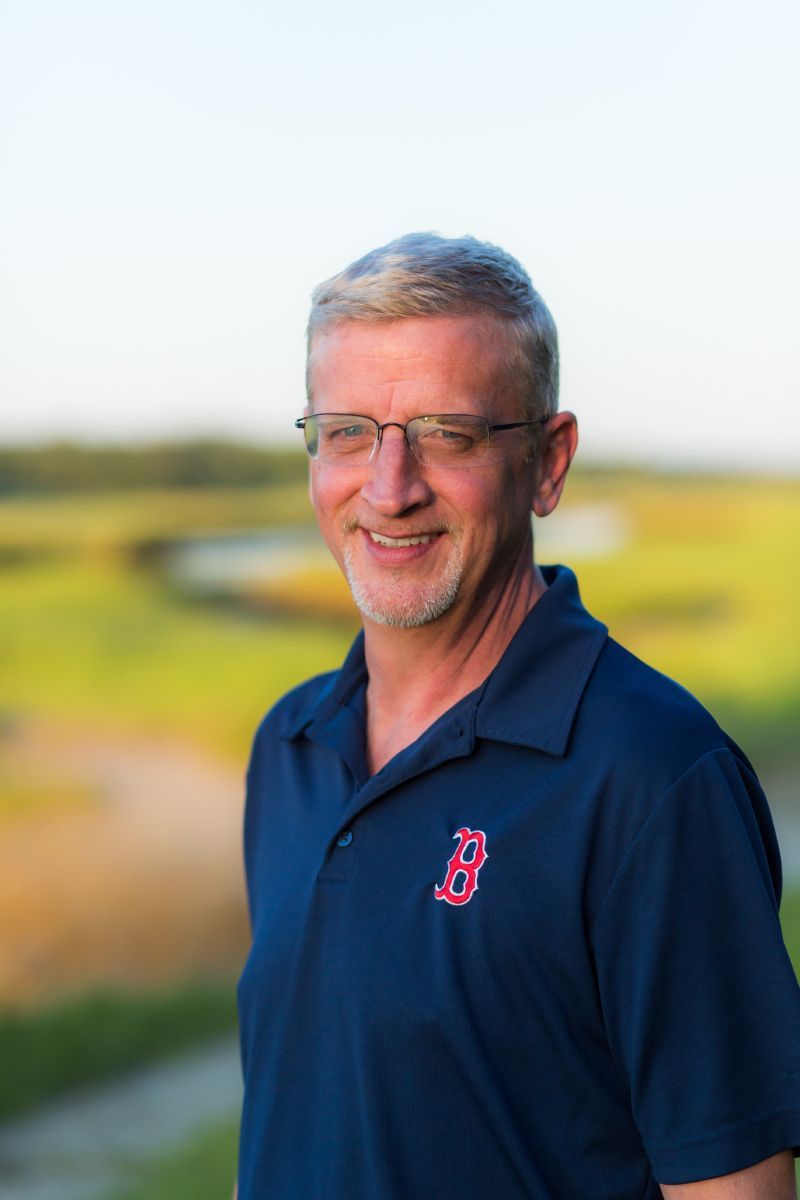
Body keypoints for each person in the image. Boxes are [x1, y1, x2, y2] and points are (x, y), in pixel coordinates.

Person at [235, 233, 800, 1199]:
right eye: (348, 431)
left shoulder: (654, 779)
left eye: (448, 432)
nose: (389, 486)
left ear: (548, 460)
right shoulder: (289, 746)